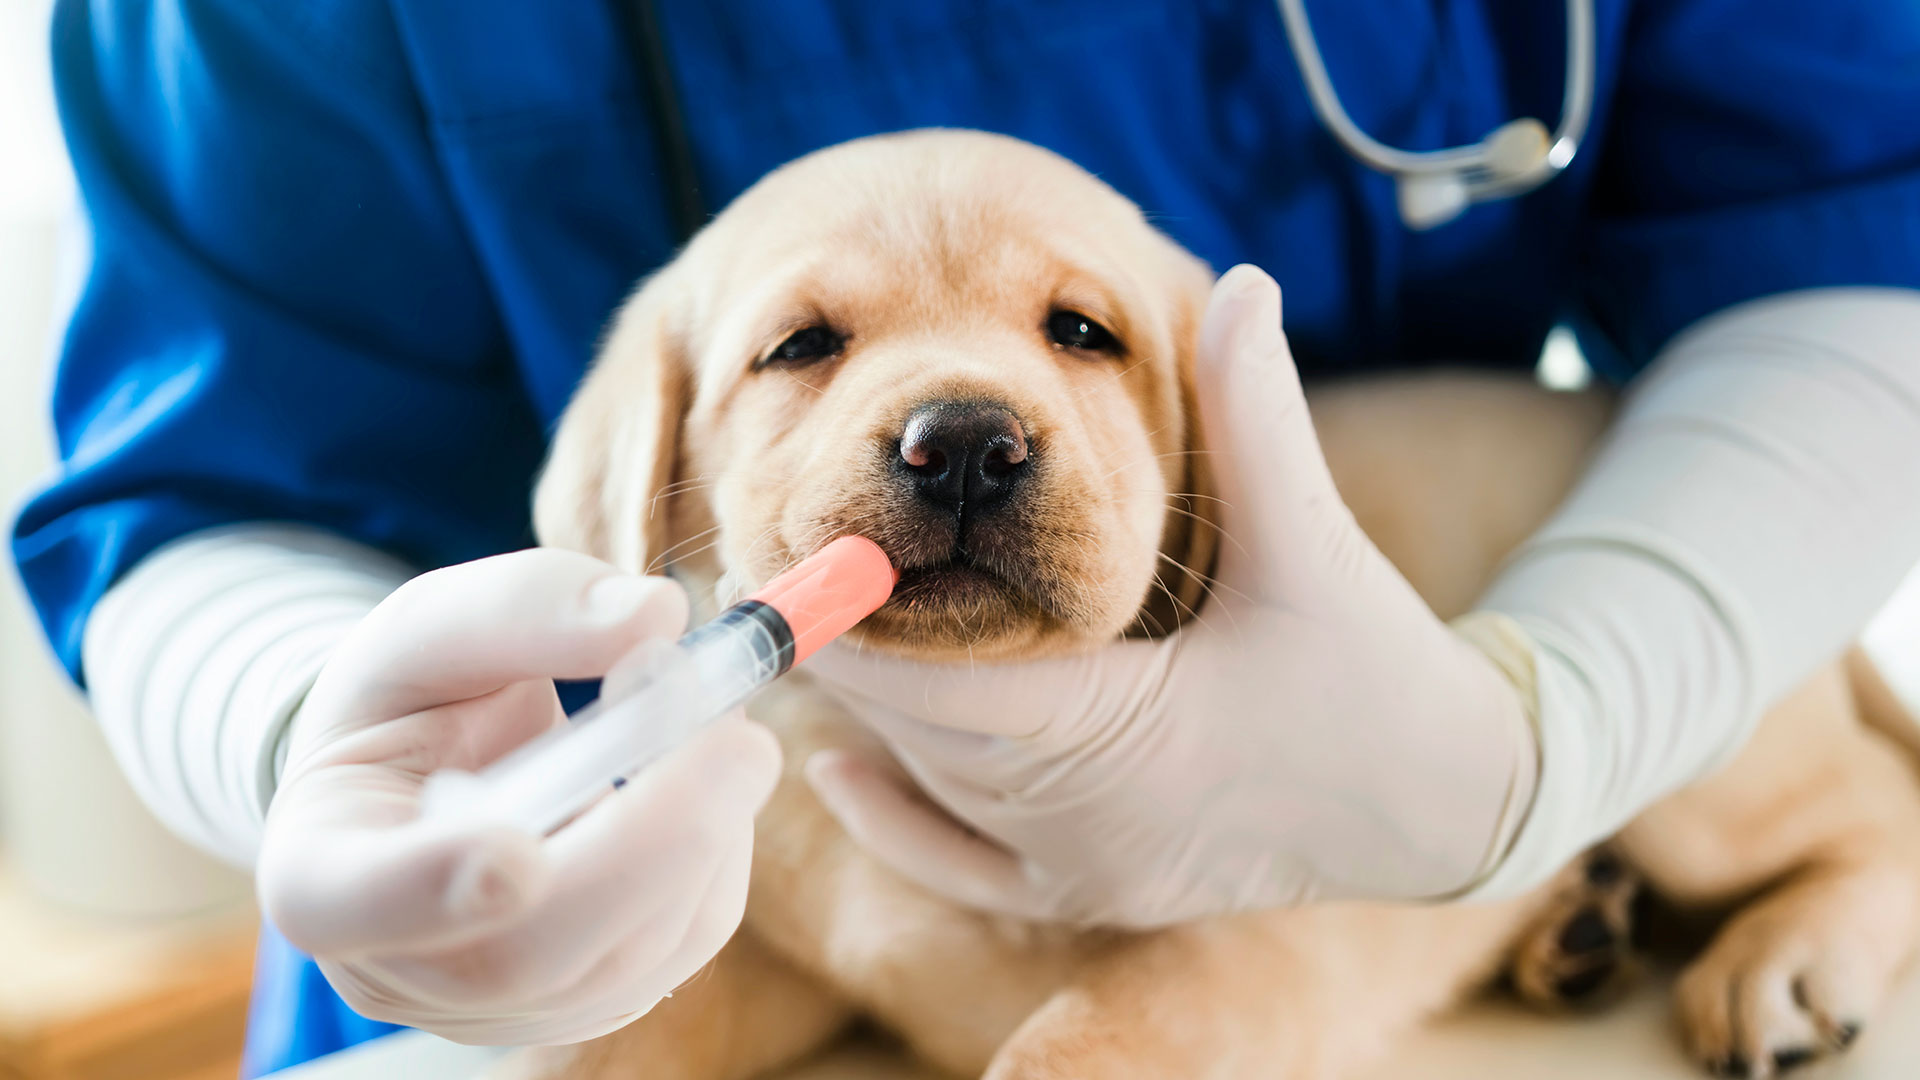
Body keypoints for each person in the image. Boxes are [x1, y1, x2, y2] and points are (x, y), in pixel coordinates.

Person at [12, 0, 1920, 1071]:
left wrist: (1543, 726)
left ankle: (1853, 846)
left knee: (1732, 786)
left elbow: (1856, 229)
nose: (957, 430)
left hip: (1576, 629)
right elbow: (197, 472)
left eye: (1078, 334)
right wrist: (301, 739)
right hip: (518, 839)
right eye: (808, 345)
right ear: (645, 450)